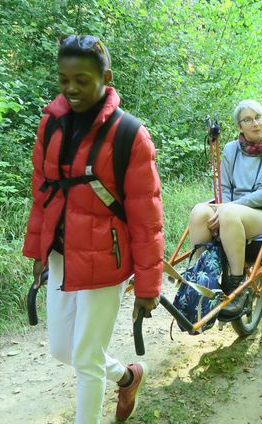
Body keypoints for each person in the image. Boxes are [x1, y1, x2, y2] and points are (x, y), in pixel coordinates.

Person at [23, 35, 164, 423]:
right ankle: (127, 376)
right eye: (63, 79)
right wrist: (38, 251)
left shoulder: (129, 135)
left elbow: (147, 217)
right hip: (61, 254)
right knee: (61, 350)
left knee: (85, 358)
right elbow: (43, 194)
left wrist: (149, 286)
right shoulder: (50, 125)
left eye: (82, 80)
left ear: (106, 77)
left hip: (107, 259)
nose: (71, 89)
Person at [188, 100, 262, 315]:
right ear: (239, 126)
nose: (255, 123)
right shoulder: (231, 149)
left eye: (259, 117)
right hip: (231, 208)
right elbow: (223, 186)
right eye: (248, 120)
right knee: (198, 212)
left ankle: (236, 284)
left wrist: (226, 208)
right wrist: (221, 207)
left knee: (230, 214)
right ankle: (203, 277)